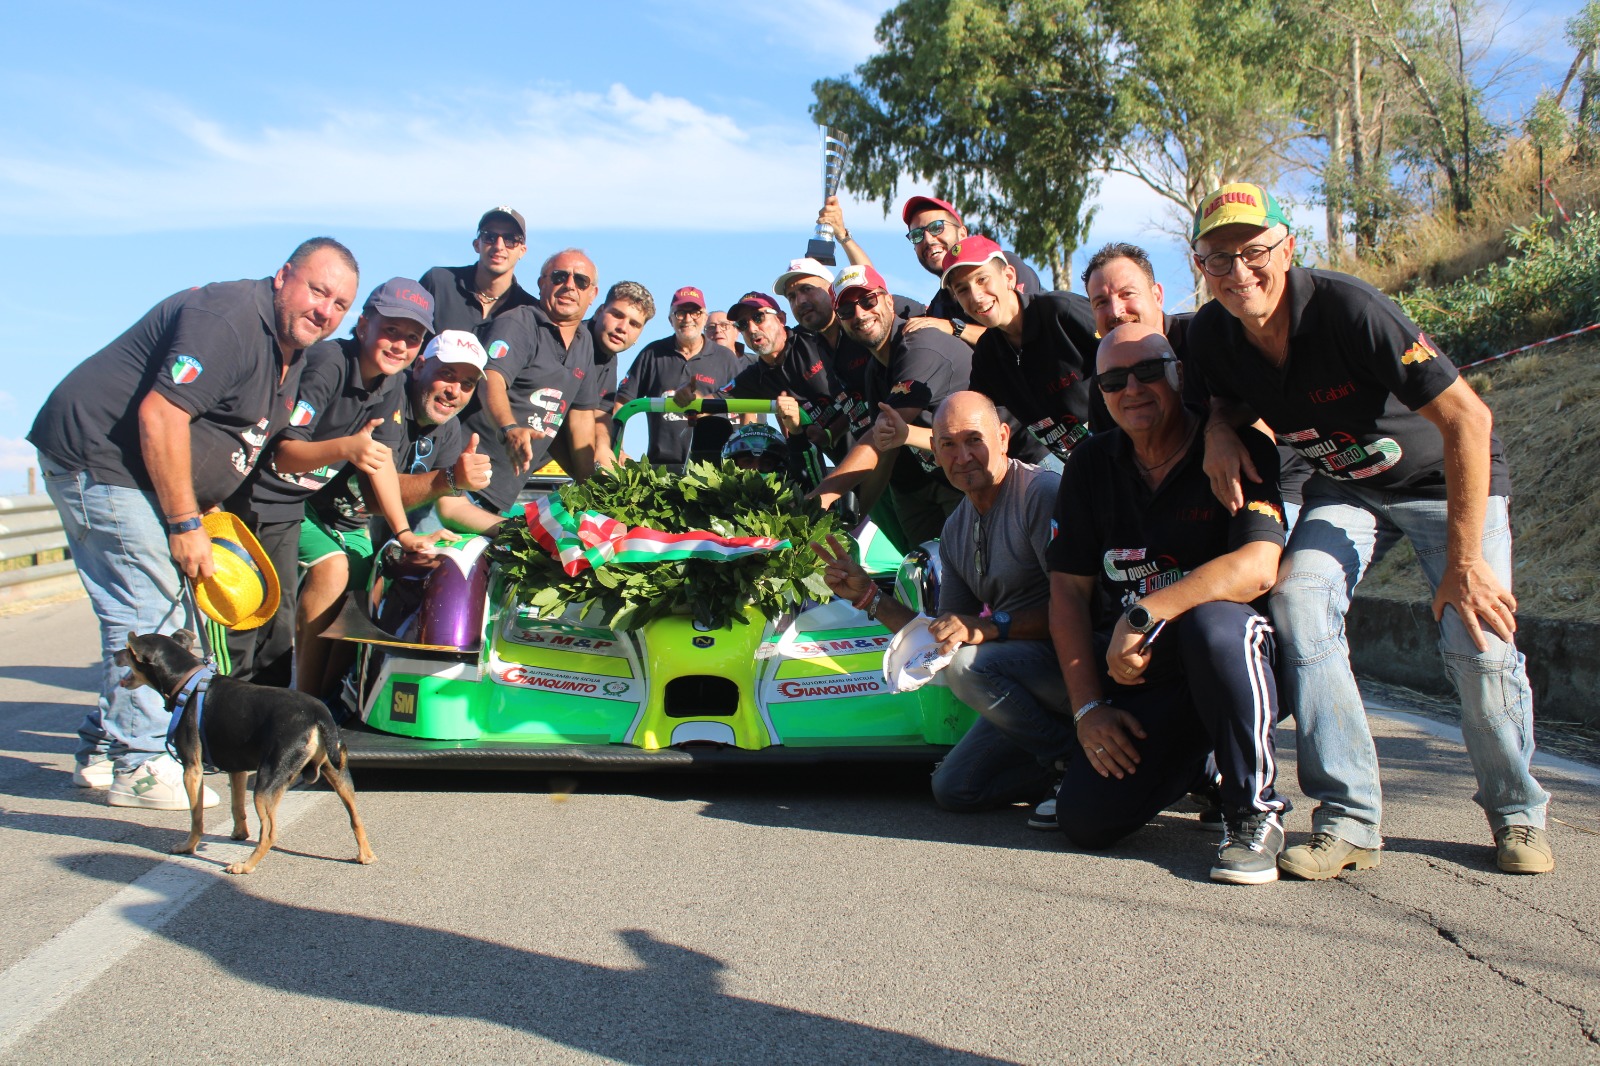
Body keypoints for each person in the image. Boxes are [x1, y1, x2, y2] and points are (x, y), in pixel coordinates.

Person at [1187, 182, 1552, 877]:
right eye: (1218, 258)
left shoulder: (1351, 310)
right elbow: (1223, 402)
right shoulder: (1211, 334)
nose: (1239, 272)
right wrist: (1217, 433)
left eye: (1255, 251)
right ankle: (1349, 820)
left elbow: (1470, 421)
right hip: (1346, 488)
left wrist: (1466, 560)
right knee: (1299, 599)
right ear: (1200, 265)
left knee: (1473, 627)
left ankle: (1516, 814)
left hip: (1443, 482)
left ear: (1287, 247)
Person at [27, 237, 359, 809]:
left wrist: (205, 508)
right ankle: (139, 761)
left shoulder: (288, 349)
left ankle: (104, 747)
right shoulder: (229, 318)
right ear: (283, 276)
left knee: (172, 622)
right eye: (317, 290)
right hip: (104, 463)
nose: (325, 310)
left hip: (149, 482)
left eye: (339, 305)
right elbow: (162, 414)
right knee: (149, 607)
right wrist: (184, 522)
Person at [1048, 323, 1290, 884]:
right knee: (1085, 820)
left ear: (1179, 374)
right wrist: (1088, 710)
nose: (1132, 389)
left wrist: (1145, 612)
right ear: (1100, 394)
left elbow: (1257, 567)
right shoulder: (1089, 465)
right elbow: (1068, 590)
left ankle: (1255, 812)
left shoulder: (1233, 446)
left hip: (1241, 660)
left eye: (1149, 372)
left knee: (1213, 623)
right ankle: (1204, 765)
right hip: (1151, 682)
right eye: (1113, 379)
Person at [812, 392, 1070, 816]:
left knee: (970, 666)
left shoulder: (1040, 494)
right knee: (956, 788)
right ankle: (1070, 761)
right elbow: (941, 636)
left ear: (1003, 437)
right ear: (933, 452)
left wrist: (989, 627)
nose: (962, 456)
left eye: (974, 440)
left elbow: (1080, 612)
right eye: (948, 444)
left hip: (1079, 667)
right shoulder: (955, 528)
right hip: (1024, 679)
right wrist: (869, 598)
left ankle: (1072, 762)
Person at [226, 278, 445, 687]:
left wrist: (402, 533)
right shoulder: (328, 361)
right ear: (363, 325)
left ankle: (317, 700)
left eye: (412, 338)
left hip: (293, 507)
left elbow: (378, 462)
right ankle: (278, 704)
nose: (399, 345)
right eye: (390, 330)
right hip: (260, 499)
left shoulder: (392, 381)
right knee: (259, 621)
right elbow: (283, 455)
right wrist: (345, 448)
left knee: (345, 589)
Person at [298, 330, 496, 698]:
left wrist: (512, 528)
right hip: (305, 506)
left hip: (350, 524)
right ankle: (300, 701)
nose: (455, 391)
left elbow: (450, 504)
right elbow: (377, 492)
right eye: (447, 375)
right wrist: (449, 479)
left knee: (364, 598)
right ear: (420, 365)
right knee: (333, 572)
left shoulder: (450, 429)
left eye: (467, 384)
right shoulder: (391, 394)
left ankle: (323, 706)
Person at [1082, 241, 1310, 524]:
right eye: (1100, 302)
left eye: (1127, 294)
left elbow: (1259, 417)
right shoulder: (1107, 377)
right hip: (1180, 503)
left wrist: (1219, 427)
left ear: (1157, 296)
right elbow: (1111, 462)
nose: (1116, 311)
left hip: (1269, 480)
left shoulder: (1208, 338)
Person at [807, 266, 971, 549]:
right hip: (928, 478)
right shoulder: (874, 369)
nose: (859, 314)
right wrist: (848, 519)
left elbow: (880, 436)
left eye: (868, 301)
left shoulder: (919, 343)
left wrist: (819, 498)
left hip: (980, 473)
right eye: (846, 311)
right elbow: (885, 448)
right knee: (925, 577)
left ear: (889, 300)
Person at [461, 248, 602, 512]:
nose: (569, 286)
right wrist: (509, 428)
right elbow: (490, 379)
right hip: (459, 483)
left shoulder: (585, 344)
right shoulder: (519, 323)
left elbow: (581, 421)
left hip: (500, 495)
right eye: (559, 277)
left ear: (592, 294)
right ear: (541, 284)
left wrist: (593, 494)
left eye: (580, 281)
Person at [942, 235, 1098, 468]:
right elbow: (976, 414)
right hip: (1080, 468)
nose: (976, 296)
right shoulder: (987, 355)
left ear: (1008, 277)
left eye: (982, 279)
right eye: (962, 290)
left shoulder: (1061, 311)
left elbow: (1129, 348)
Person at [821, 194, 1043, 350]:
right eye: (917, 235)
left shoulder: (999, 264)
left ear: (962, 232)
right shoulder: (938, 305)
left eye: (937, 227)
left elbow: (1019, 329)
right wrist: (843, 235)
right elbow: (869, 285)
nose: (927, 239)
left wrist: (952, 328)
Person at [613, 286, 744, 467]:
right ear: (670, 319)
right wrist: (617, 448)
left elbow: (748, 407)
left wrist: (747, 457)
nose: (688, 319)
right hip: (661, 467)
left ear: (705, 318)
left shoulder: (726, 358)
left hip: (718, 468)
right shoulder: (652, 353)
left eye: (695, 312)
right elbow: (622, 401)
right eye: (680, 313)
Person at [419, 207, 535, 342]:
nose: (499, 246)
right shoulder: (438, 282)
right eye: (489, 236)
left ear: (522, 251)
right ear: (476, 245)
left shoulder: (529, 310)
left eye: (510, 239)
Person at [586, 282, 656, 467]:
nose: (623, 327)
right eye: (617, 315)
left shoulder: (610, 358)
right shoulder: (574, 343)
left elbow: (601, 411)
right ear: (599, 311)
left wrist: (606, 449)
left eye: (634, 324)